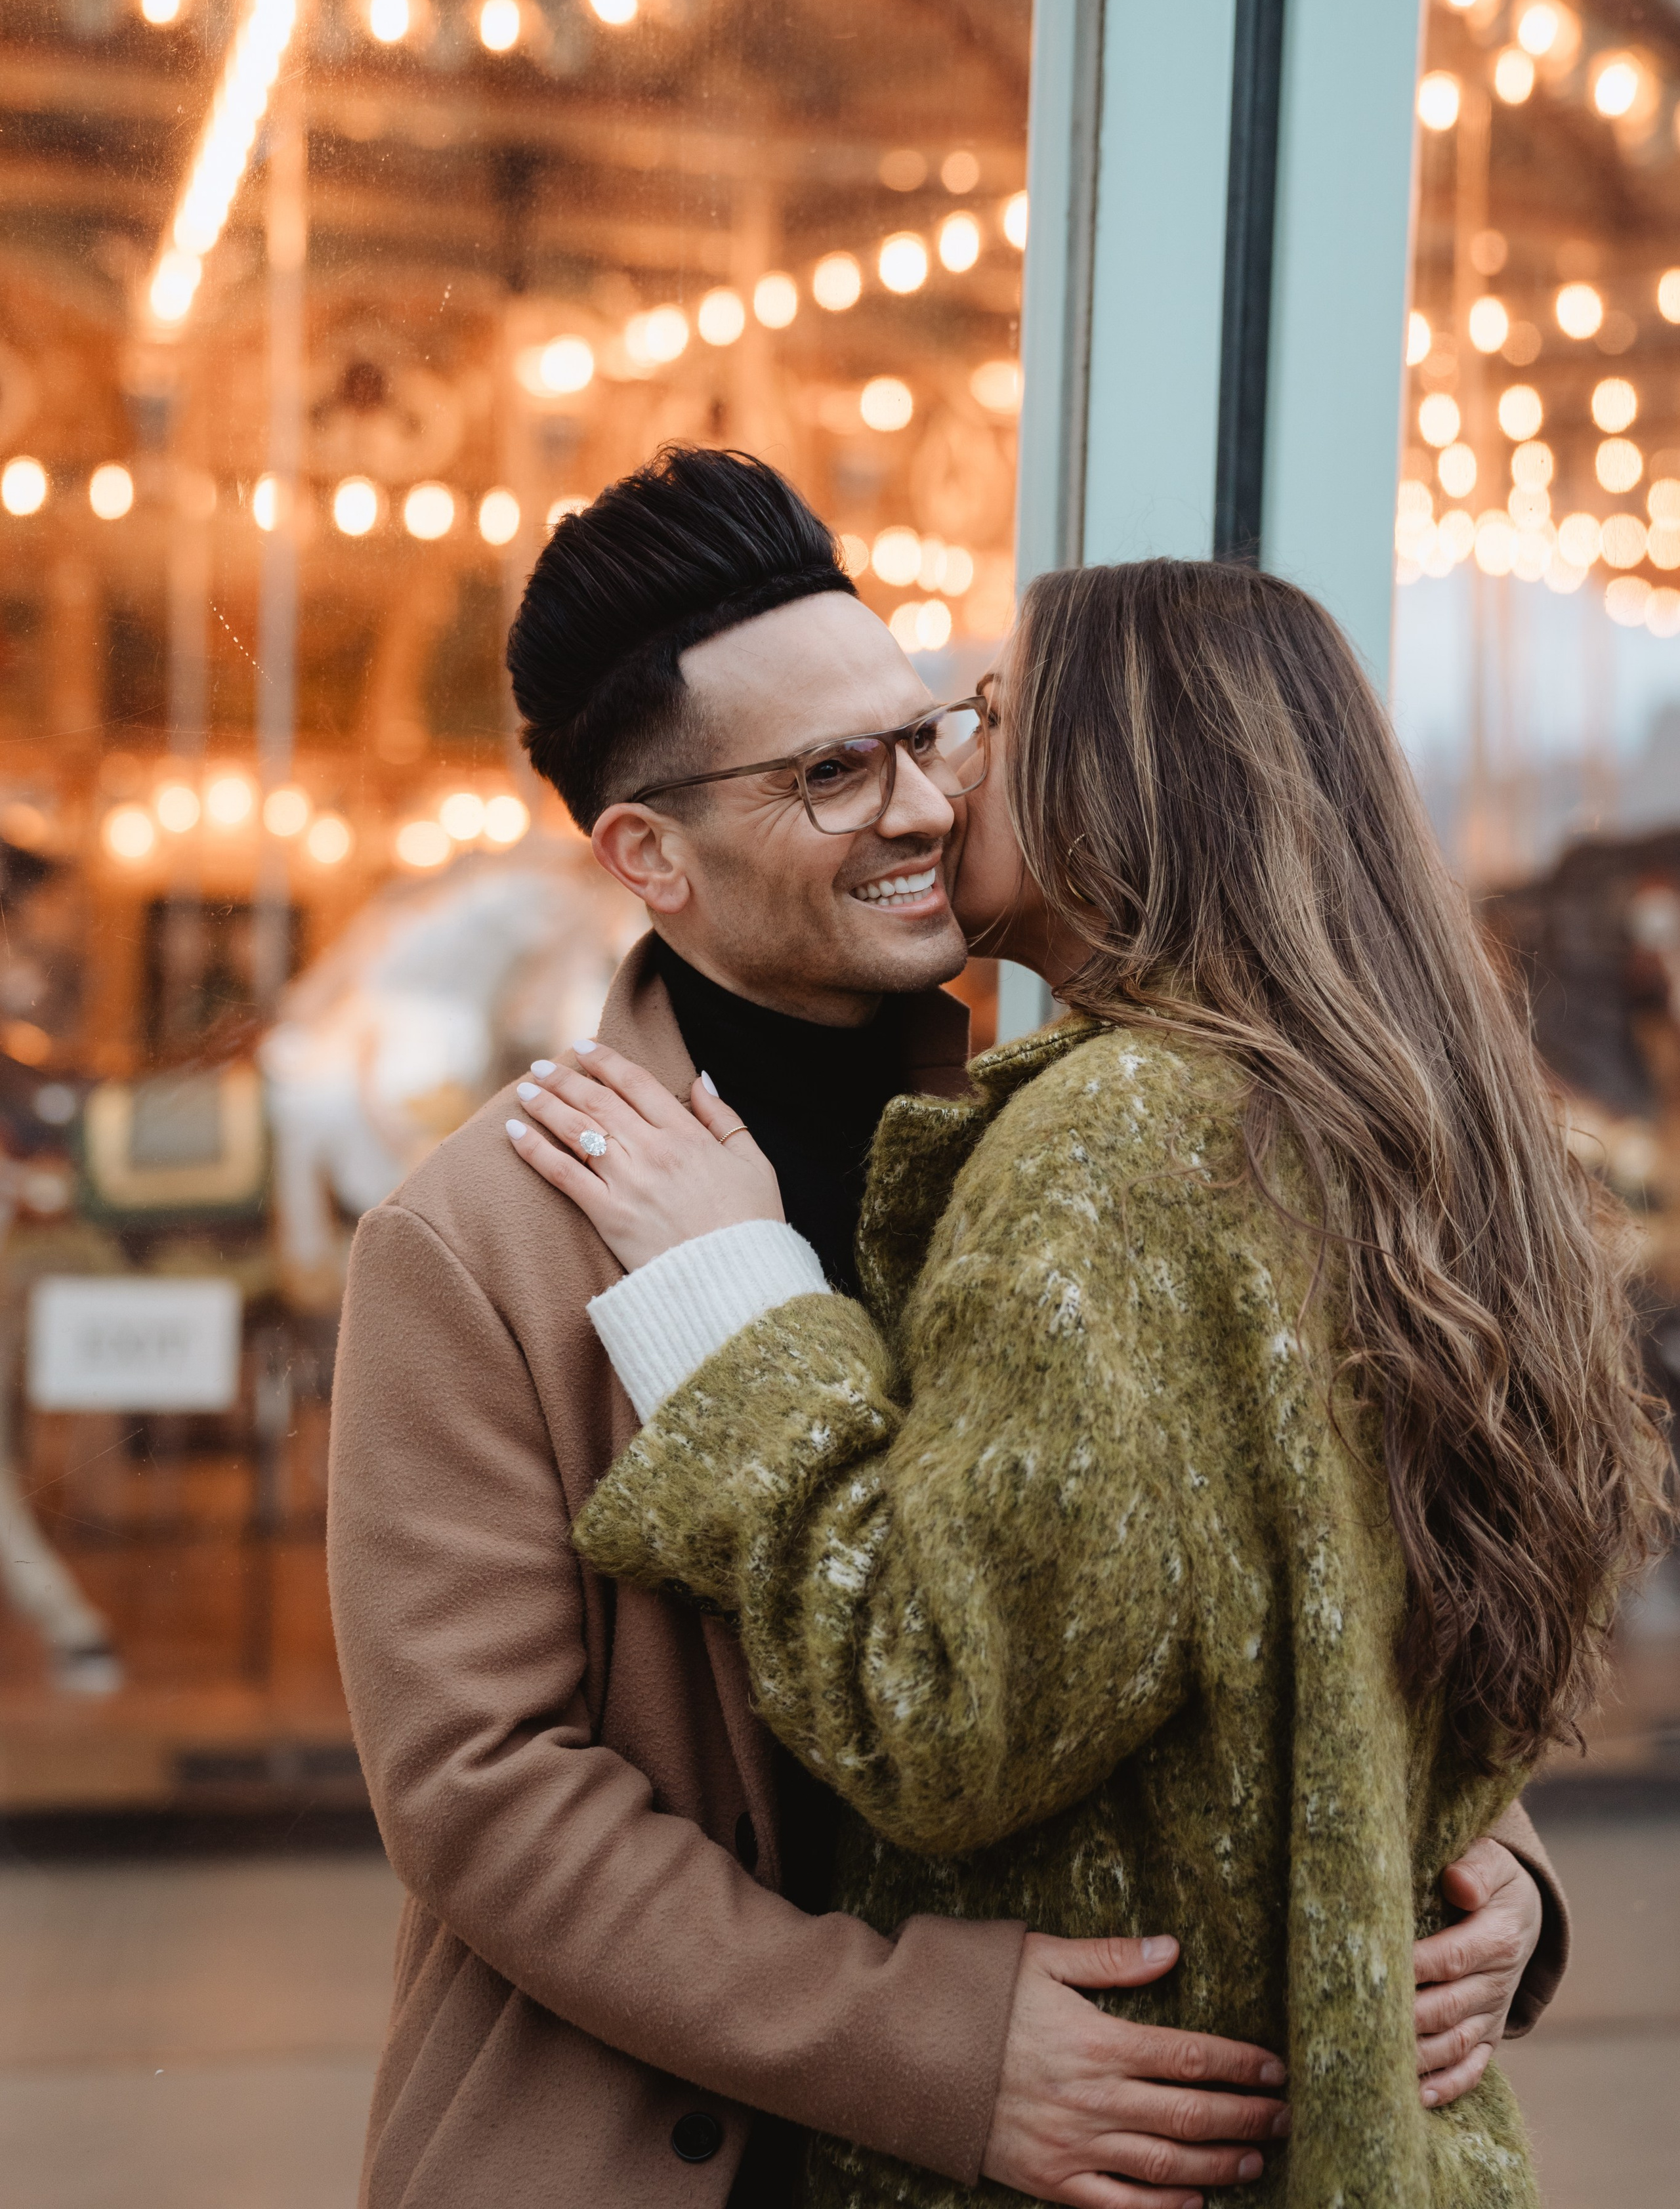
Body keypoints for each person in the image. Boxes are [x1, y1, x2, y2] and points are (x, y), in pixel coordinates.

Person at [330, 456, 1570, 2209]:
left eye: (928, 732)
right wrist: (925, 2050)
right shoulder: (473, 1239)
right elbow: (481, 1792)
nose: (926, 801)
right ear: (649, 855)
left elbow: (1305, 1541)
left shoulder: (1088, 1132)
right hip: (672, 2148)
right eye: (835, 771)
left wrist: (1484, 1863)